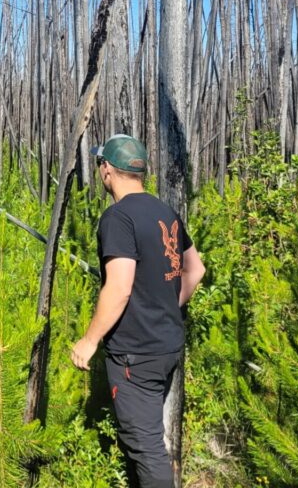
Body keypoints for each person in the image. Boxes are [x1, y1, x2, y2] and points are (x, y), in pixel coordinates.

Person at [70, 134, 206, 488]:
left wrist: (88, 340)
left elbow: (118, 287)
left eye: (102, 165)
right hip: (168, 347)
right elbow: (196, 270)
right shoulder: (166, 212)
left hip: (136, 355)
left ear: (107, 170)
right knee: (146, 442)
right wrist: (165, 305)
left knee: (146, 448)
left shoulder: (118, 218)